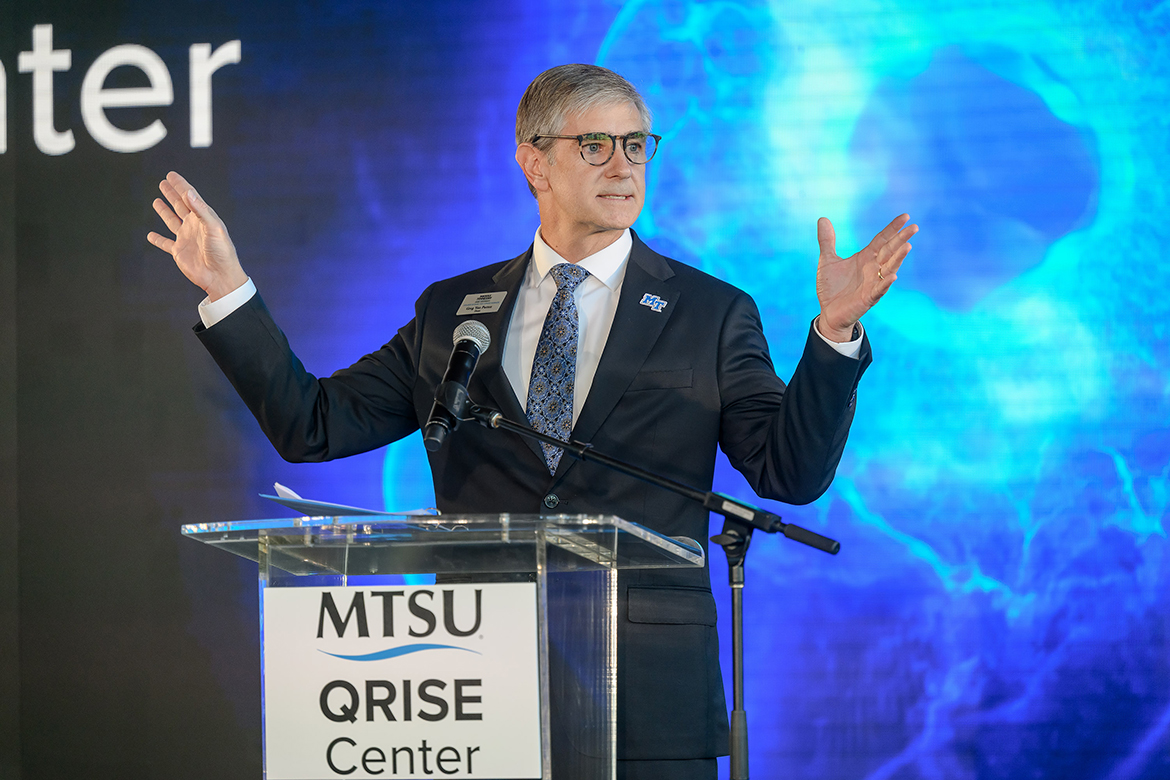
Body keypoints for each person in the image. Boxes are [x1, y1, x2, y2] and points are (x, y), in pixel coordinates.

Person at [148, 63, 916, 780]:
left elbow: (790, 472)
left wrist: (835, 334)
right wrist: (228, 291)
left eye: (637, 145)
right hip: (475, 684)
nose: (623, 166)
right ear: (534, 161)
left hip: (646, 693)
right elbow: (312, 425)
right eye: (595, 145)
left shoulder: (710, 312)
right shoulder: (452, 310)